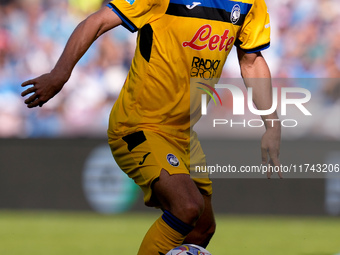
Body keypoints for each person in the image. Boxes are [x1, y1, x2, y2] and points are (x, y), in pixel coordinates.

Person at [21, 0, 282, 254]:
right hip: (138, 125)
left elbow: (251, 61)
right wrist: (60, 74)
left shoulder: (250, 3)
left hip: (183, 134)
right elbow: (98, 21)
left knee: (202, 229)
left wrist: (271, 124)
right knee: (187, 206)